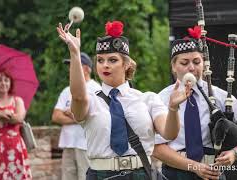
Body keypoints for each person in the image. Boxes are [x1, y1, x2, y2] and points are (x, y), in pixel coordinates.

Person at [56, 20, 191, 179]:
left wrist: (173, 108)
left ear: (126, 64)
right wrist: (74, 52)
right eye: (100, 60)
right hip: (101, 174)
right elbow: (78, 96)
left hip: (140, 173)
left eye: (112, 60)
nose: (105, 65)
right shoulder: (91, 100)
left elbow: (169, 133)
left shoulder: (147, 99)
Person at [152, 26, 237, 180]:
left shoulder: (218, 95)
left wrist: (236, 152)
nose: (191, 67)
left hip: (213, 173)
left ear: (204, 65)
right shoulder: (161, 99)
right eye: (184, 63)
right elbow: (156, 148)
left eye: (197, 62)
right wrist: (194, 167)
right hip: (175, 173)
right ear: (173, 67)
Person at [51, 52, 101, 180]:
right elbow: (56, 116)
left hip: (86, 145)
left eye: (73, 65)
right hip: (68, 144)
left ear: (85, 69)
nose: (70, 70)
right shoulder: (67, 90)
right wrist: (79, 115)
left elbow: (95, 118)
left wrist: (72, 112)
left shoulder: (96, 89)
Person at [0, 68, 32, 179]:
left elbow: (19, 118)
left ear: (11, 83)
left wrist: (3, 114)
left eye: (6, 80)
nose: (3, 83)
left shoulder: (17, 100)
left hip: (15, 147)